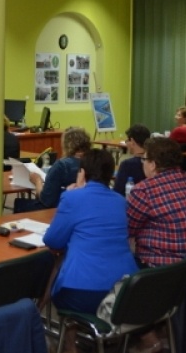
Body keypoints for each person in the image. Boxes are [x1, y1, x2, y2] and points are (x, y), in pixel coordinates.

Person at [44, 149, 138, 353]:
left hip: (82, 292)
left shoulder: (72, 199)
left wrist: (69, 195)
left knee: (59, 285)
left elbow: (53, 240)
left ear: (82, 173)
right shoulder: (121, 201)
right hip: (123, 290)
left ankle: (69, 346)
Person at [127, 137, 186, 267]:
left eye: (144, 159)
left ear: (153, 165)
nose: (142, 163)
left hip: (163, 270)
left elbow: (127, 230)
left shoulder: (144, 190)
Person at [15, 127, 91, 213]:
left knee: (19, 203)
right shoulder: (93, 162)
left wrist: (37, 181)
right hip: (84, 208)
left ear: (67, 145)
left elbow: (46, 200)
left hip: (58, 210)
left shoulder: (62, 165)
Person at [113, 124, 150, 196]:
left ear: (132, 141)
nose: (126, 143)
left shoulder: (127, 165)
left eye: (127, 140)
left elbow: (118, 192)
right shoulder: (154, 161)